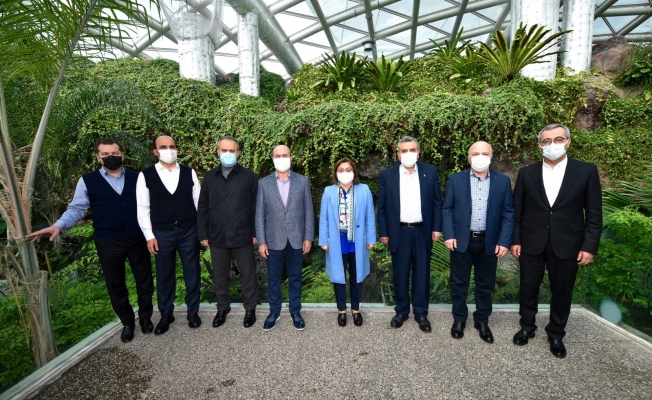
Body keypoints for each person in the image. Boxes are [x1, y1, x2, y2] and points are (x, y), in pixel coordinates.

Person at [29, 139, 154, 343]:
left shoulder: (138, 177)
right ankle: (127, 323)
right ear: (98, 157)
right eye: (105, 154)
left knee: (144, 280)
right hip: (108, 241)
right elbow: (77, 209)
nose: (111, 157)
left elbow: (149, 205)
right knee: (115, 285)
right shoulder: (87, 180)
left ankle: (146, 318)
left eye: (114, 153)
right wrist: (58, 225)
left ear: (122, 155)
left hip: (137, 238)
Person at [511, 123, 602, 358]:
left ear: (568, 142)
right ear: (540, 146)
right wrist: (515, 239)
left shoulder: (586, 171)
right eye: (547, 141)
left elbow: (594, 213)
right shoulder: (526, 173)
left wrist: (589, 246)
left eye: (558, 139)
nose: (553, 144)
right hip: (531, 240)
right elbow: (517, 211)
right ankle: (527, 327)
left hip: (568, 242)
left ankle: (556, 334)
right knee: (528, 288)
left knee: (562, 291)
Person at [442, 141, 514, 343]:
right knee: (459, 284)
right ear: (469, 158)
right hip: (461, 242)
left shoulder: (502, 181)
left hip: (489, 242)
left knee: (485, 285)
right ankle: (459, 319)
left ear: (491, 157)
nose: (480, 157)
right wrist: (449, 235)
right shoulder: (456, 179)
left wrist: (504, 241)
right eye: (475, 154)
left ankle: (482, 320)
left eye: (484, 153)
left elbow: (508, 212)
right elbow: (447, 209)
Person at [136, 135, 202, 335]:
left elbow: (199, 203)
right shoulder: (146, 175)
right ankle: (166, 314)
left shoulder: (189, 172)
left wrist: (201, 230)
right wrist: (149, 236)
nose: (169, 150)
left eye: (172, 146)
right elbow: (143, 207)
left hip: (189, 231)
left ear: (177, 149)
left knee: (192, 273)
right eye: (163, 147)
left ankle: (193, 312)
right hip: (161, 233)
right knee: (164, 275)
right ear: (155, 152)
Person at [377, 136, 443, 333]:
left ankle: (421, 313)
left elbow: (437, 202)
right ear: (398, 154)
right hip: (399, 231)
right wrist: (384, 232)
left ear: (418, 152)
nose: (408, 154)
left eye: (412, 150)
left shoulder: (430, 171)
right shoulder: (387, 175)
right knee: (400, 273)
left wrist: (437, 228)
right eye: (404, 151)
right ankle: (402, 311)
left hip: (423, 231)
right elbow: (382, 207)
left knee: (422, 274)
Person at [197, 136, 259, 328]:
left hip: (243, 234)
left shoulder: (249, 177)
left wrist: (255, 232)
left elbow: (256, 207)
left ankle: (250, 309)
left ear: (238, 153)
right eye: (224, 150)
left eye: (232, 151)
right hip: (218, 234)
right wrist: (203, 233)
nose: (228, 154)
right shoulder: (209, 177)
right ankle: (223, 308)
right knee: (219, 274)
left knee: (248, 274)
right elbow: (203, 206)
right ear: (218, 152)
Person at [255, 145, 314, 331]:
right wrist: (262, 241)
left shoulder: (302, 181)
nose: (282, 158)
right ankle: (274, 312)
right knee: (273, 278)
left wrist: (308, 237)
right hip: (273, 239)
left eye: (285, 155)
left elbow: (309, 211)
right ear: (273, 159)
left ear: (291, 157)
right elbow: (259, 215)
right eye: (278, 156)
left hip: (297, 237)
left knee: (295, 277)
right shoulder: (263, 183)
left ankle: (295, 311)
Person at [319, 158, 376, 327]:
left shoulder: (364, 190)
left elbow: (370, 216)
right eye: (341, 170)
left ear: (354, 172)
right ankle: (342, 310)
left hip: (358, 241)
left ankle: (356, 310)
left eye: (348, 169)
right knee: (339, 277)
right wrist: (323, 240)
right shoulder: (329, 192)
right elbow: (324, 218)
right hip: (337, 241)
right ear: (336, 173)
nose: (345, 173)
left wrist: (371, 239)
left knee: (357, 276)